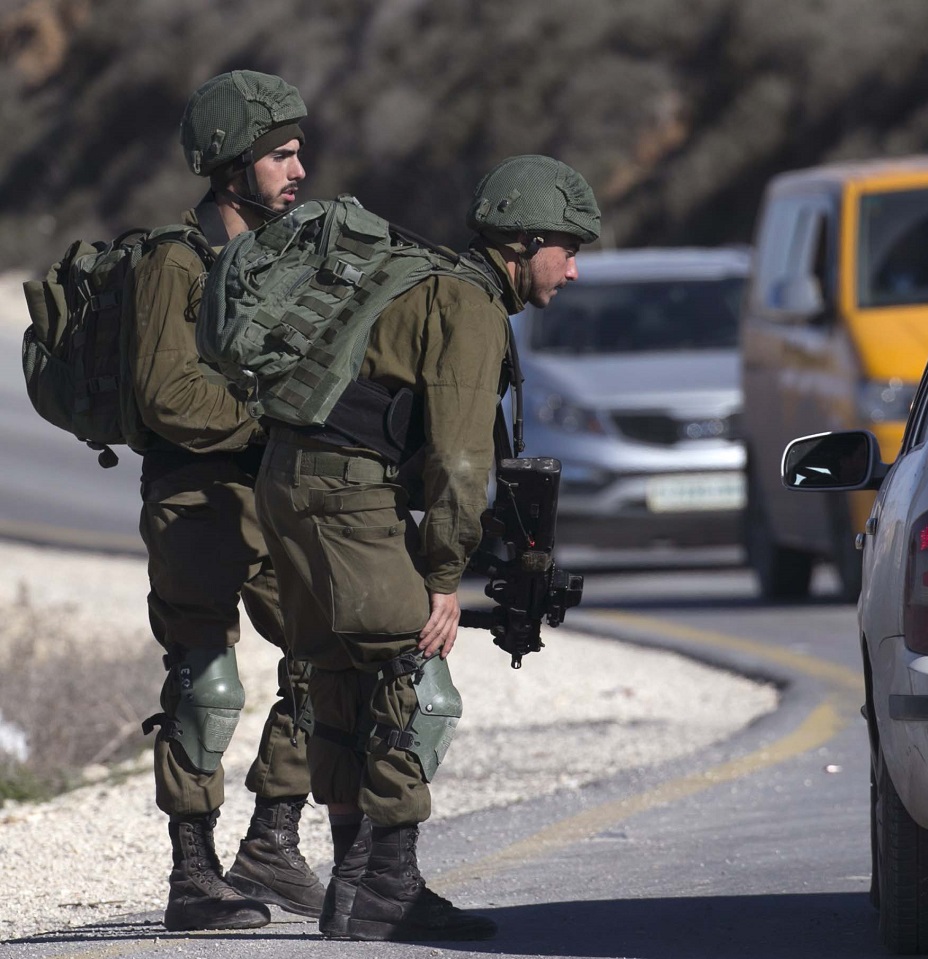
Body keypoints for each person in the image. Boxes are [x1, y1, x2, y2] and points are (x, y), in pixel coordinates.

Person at [253, 155, 601, 941]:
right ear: (526, 242)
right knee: (415, 676)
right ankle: (389, 884)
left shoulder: (415, 277)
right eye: (569, 249)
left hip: (287, 480)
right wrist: (443, 576)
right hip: (348, 491)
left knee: (339, 675)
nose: (575, 270)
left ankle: (353, 886)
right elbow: (457, 458)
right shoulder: (470, 303)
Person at [130, 69, 323, 932]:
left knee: (335, 650)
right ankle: (192, 874)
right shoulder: (176, 260)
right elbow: (167, 393)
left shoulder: (297, 255)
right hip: (196, 497)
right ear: (229, 164)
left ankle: (274, 840)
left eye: (297, 152)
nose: (299, 169)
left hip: (280, 493)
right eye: (280, 154)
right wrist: (266, 422)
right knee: (207, 681)